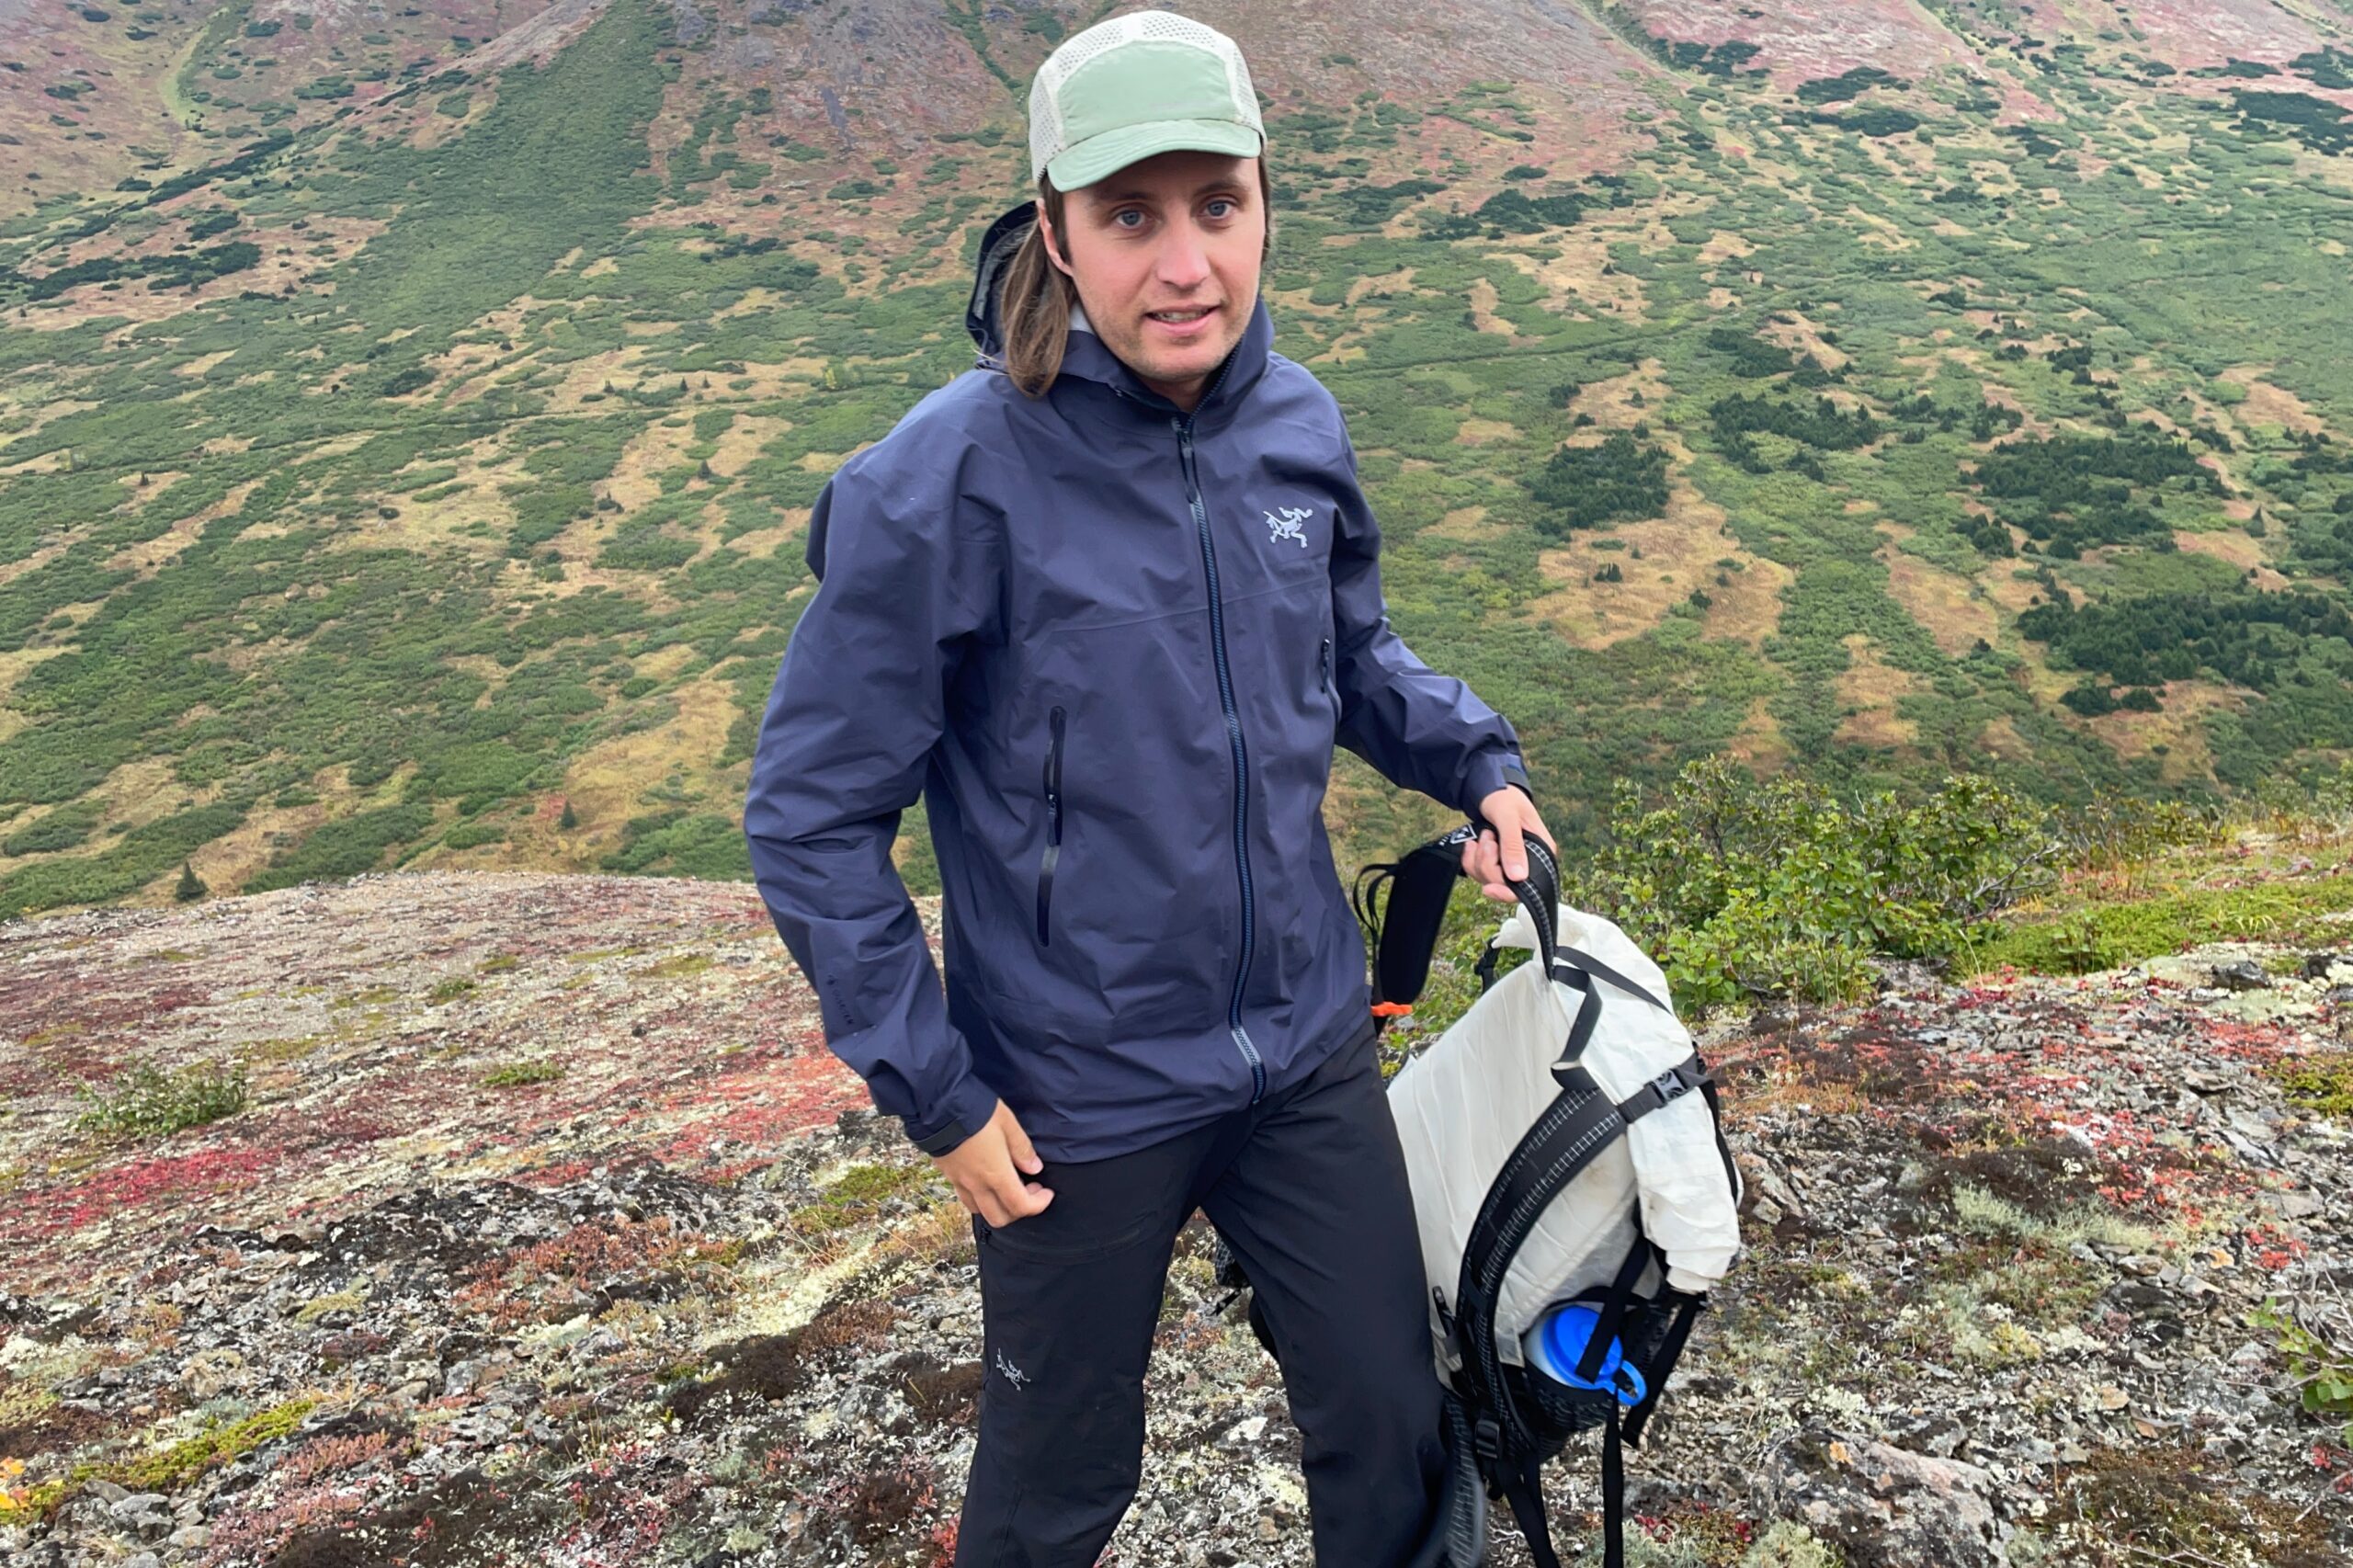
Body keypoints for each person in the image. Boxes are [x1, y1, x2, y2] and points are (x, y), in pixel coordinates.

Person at [743, 14, 1554, 1565]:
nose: (1185, 264)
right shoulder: (945, 480)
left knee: (1393, 1422)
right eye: (1130, 217)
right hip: (1074, 1090)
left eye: (1218, 207)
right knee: (1058, 1484)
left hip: (1304, 1048)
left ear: (1265, 204)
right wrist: (939, 1088)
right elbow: (810, 810)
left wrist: (1479, 763)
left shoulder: (1295, 425)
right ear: (1050, 227)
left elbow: (1354, 654)